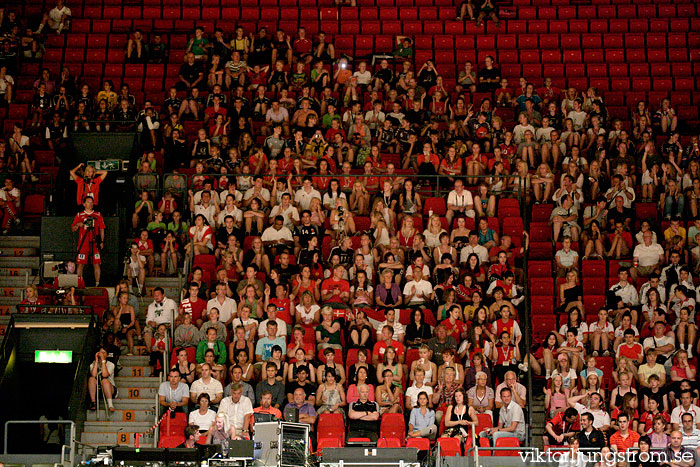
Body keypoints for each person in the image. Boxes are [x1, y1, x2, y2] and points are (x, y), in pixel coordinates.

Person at [71, 196, 105, 286]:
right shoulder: (80, 215)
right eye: (88, 202)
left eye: (91, 202)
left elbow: (102, 229)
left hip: (95, 242)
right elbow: (73, 228)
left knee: (96, 263)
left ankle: (97, 284)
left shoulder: (98, 215)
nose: (90, 204)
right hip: (83, 243)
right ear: (84, 204)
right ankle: (79, 283)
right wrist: (79, 224)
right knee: (80, 264)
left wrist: (102, 241)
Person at [87, 347, 115, 411]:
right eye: (100, 353)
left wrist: (103, 361)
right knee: (91, 379)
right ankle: (93, 403)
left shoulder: (111, 364)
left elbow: (105, 375)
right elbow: (93, 375)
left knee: (105, 381)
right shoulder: (93, 364)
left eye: (103, 353)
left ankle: (110, 405)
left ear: (107, 355)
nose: (101, 354)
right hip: (97, 388)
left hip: (109, 388)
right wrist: (96, 361)